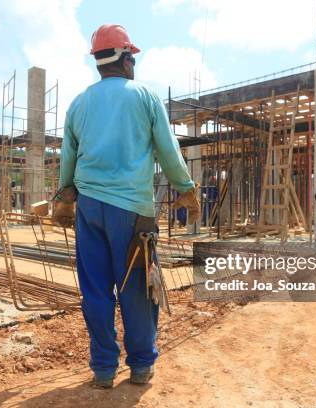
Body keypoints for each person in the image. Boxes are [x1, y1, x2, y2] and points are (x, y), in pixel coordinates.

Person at [53, 24, 200, 388]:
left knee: (96, 291)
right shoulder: (145, 97)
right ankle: (140, 366)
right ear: (127, 58)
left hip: (89, 209)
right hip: (133, 213)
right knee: (136, 289)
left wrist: (63, 196)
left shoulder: (79, 103)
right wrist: (186, 188)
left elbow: (68, 159)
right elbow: (168, 149)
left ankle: (103, 369)